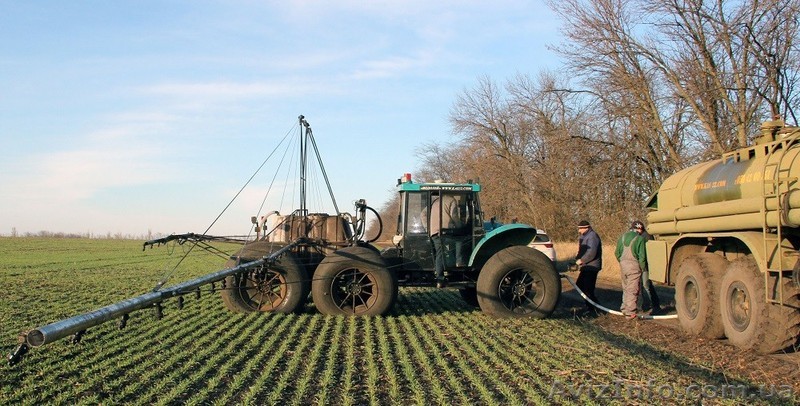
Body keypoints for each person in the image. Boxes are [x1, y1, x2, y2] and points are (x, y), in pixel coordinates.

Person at [429, 193, 463, 288]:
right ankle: (458, 263)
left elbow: (423, 213)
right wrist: (460, 226)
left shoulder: (435, 202)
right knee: (459, 239)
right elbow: (454, 216)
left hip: (434, 233)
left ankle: (440, 278)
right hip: (445, 232)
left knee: (439, 254)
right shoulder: (451, 200)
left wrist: (428, 227)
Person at [615, 221, 648, 319]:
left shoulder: (622, 237)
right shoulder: (640, 239)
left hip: (623, 265)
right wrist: (642, 268)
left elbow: (617, 253)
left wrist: (621, 262)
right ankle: (630, 312)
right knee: (633, 288)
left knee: (625, 287)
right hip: (634, 266)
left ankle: (624, 308)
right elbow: (642, 257)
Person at [632, 220, 662, 314]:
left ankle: (655, 305)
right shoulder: (639, 237)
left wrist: (644, 265)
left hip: (646, 264)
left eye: (638, 229)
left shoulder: (647, 237)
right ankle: (643, 305)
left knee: (646, 285)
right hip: (641, 264)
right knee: (640, 285)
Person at [574, 220, 602, 312]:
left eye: (580, 229)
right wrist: (575, 260)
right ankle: (591, 306)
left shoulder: (592, 236)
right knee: (580, 285)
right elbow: (582, 251)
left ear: (587, 228)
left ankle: (594, 308)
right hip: (586, 266)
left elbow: (591, 253)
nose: (579, 231)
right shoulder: (583, 237)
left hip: (592, 266)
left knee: (588, 289)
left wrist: (581, 261)